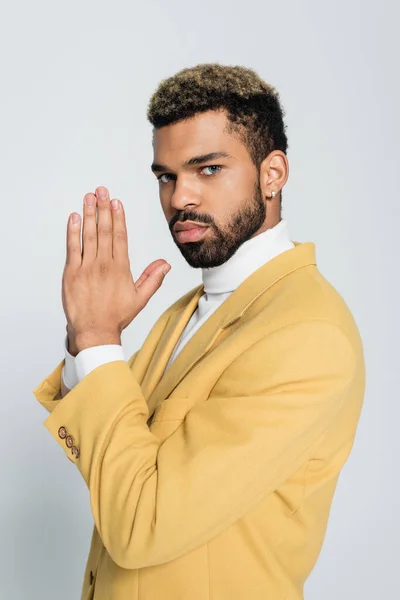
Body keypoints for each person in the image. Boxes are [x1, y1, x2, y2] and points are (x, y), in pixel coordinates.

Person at [33, 64, 366, 600]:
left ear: (273, 173)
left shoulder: (308, 334)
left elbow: (140, 525)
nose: (179, 197)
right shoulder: (188, 309)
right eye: (166, 176)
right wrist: (86, 340)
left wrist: (101, 343)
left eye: (207, 169)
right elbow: (119, 465)